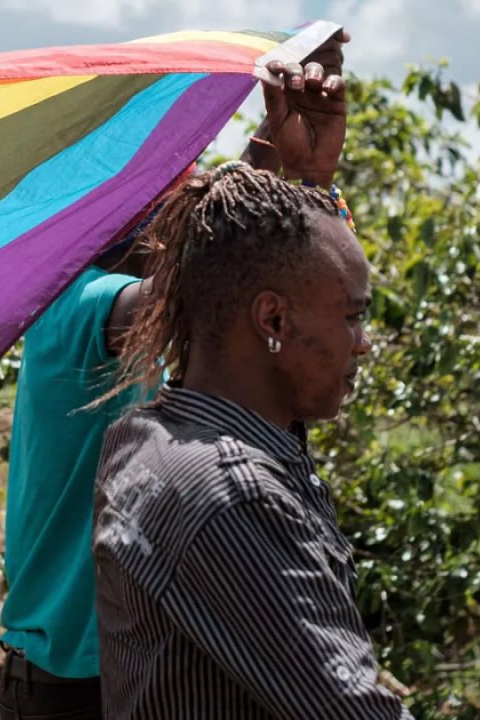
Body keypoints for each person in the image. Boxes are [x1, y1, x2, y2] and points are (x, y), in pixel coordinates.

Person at [0, 31, 352, 720]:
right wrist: (304, 183)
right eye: (176, 195)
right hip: (68, 686)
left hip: (144, 664)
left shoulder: (147, 296)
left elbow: (211, 256)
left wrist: (292, 152)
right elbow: (203, 286)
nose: (188, 202)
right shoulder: (75, 309)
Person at [90, 129, 411, 719]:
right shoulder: (233, 497)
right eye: (353, 317)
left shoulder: (151, 435)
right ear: (273, 320)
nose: (363, 345)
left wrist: (315, 184)